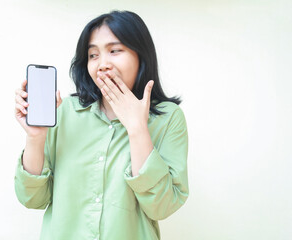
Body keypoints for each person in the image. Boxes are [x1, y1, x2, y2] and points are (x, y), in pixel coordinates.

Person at [14, 10, 188, 240]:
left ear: (141, 56)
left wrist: (137, 130)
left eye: (115, 51)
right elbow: (32, 198)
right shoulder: (65, 111)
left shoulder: (168, 118)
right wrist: (35, 139)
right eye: (93, 55)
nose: (102, 64)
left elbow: (162, 207)